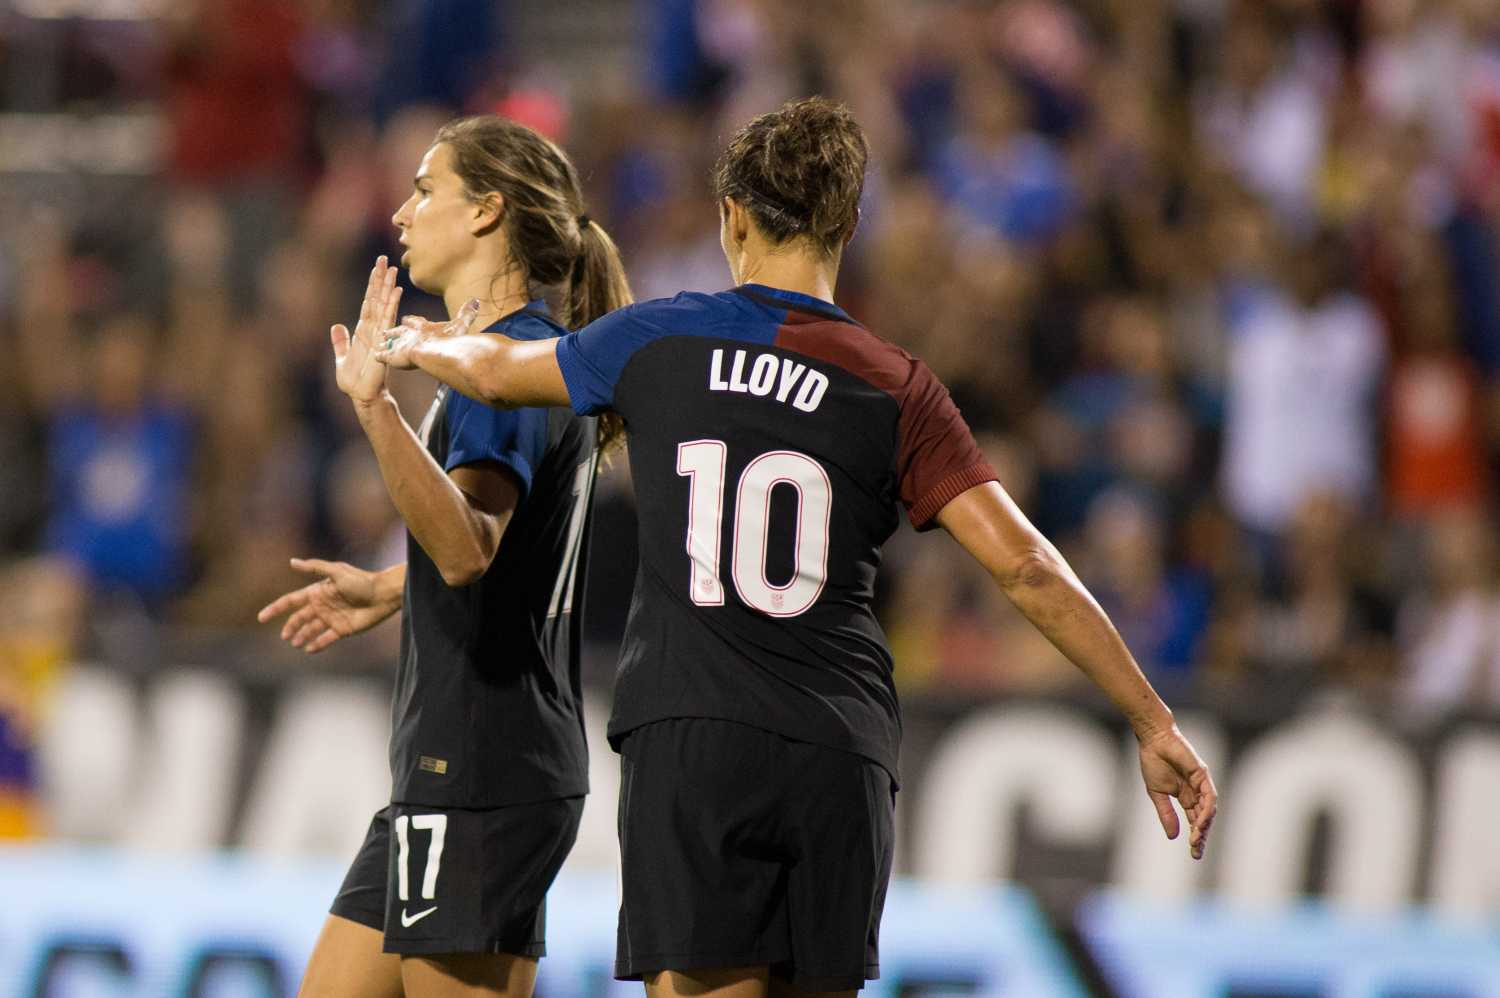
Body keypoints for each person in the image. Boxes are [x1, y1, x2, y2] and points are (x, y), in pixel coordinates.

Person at [375, 98, 1217, 998]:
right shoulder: (896, 385)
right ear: (849, 223)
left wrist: (417, 344)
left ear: (732, 215)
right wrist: (1150, 718)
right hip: (838, 751)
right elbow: (1027, 565)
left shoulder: (660, 336)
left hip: (694, 738)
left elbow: (498, 372)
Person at [257, 115, 631, 998]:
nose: (399, 211)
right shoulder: (521, 357)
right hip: (455, 769)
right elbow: (503, 555)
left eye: (426, 190)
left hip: (481, 768)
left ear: (486, 213)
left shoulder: (495, 367)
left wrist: (376, 410)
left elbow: (468, 549)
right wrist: (393, 587)